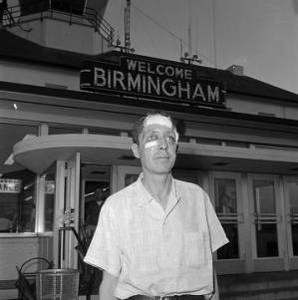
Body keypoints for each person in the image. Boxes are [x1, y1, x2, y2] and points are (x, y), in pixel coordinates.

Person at [84, 112, 229, 300]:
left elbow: (210, 272)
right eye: (152, 138)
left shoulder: (198, 198)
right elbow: (109, 283)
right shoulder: (116, 207)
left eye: (170, 138)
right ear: (136, 150)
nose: (163, 145)